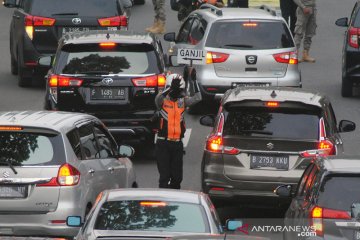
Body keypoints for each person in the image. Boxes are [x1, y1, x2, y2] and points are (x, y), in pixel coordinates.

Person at [154, 73, 202, 189]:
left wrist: (194, 81)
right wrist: (170, 89)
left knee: (177, 178)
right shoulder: (162, 101)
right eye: (177, 90)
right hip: (163, 144)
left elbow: (198, 98)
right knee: (164, 177)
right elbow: (157, 99)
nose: (178, 93)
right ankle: (163, 203)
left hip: (177, 144)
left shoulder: (182, 101)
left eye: (180, 90)